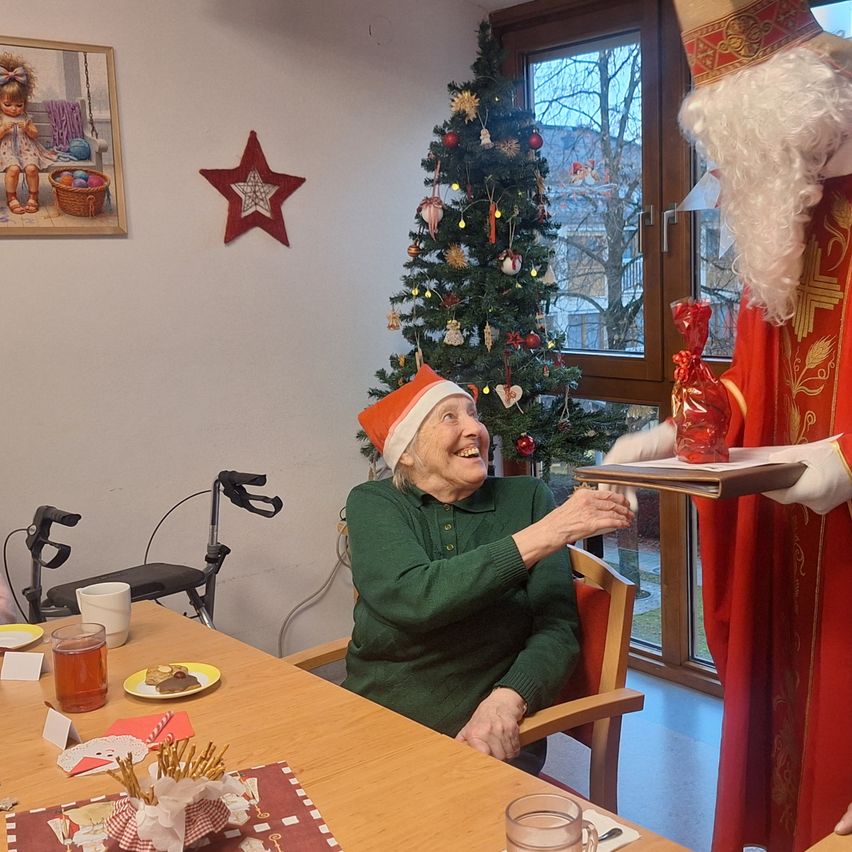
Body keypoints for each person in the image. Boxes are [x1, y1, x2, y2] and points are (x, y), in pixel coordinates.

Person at [606, 1, 852, 848]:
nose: (734, 170)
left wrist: (849, 458)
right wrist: (695, 425)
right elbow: (758, 383)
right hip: (791, 546)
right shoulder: (787, 215)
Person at [344, 364, 632, 772]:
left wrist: (506, 700)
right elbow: (414, 599)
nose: (474, 429)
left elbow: (557, 628)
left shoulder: (527, 498)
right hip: (377, 720)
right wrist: (547, 533)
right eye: (450, 417)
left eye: (473, 415)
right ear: (406, 451)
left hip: (487, 729)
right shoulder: (375, 503)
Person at [0, 53, 56, 215]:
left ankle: (33, 196)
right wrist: (3, 129)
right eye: (8, 104)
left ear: (25, 103)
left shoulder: (25, 117)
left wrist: (28, 128)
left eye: (19, 105)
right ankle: (12, 197)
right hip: (6, 151)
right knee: (13, 170)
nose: (14, 109)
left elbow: (35, 135)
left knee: (32, 169)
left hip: (27, 150)